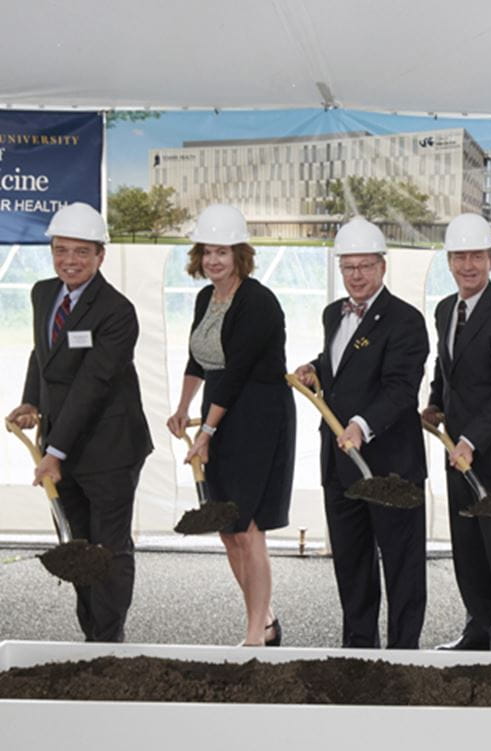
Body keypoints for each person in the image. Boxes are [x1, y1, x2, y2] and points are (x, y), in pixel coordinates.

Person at [7, 203, 152, 642]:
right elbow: (41, 353)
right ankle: (91, 638)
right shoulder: (42, 293)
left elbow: (93, 385)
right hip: (62, 446)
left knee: (107, 550)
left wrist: (53, 454)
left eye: (81, 252)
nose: (69, 260)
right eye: (61, 250)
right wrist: (31, 401)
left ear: (100, 256)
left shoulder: (116, 312)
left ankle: (108, 646)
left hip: (109, 448)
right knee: (76, 546)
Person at [293, 217, 428, 649]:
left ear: (382, 267)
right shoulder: (334, 313)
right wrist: (316, 369)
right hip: (340, 467)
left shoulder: (406, 320)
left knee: (401, 566)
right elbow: (343, 364)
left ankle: (405, 657)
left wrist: (360, 426)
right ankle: (359, 650)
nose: (356, 275)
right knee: (352, 565)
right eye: (348, 267)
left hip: (390, 466)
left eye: (365, 266)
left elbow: (401, 388)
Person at [166, 204, 295, 647]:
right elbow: (196, 358)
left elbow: (238, 371)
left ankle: (255, 635)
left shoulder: (258, 301)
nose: (213, 260)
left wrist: (207, 433)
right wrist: (184, 408)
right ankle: (266, 619)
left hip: (258, 417)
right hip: (220, 409)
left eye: (222, 252)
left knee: (248, 528)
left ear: (240, 254)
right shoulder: (206, 298)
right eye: (207, 252)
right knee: (227, 530)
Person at [423, 213, 491, 651]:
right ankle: (479, 629)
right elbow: (445, 367)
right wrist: (434, 402)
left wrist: (471, 440)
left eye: (476, 257)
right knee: (468, 548)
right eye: (459, 257)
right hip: (457, 450)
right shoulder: (446, 309)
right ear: (450, 262)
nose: (468, 266)